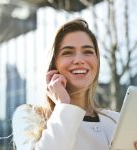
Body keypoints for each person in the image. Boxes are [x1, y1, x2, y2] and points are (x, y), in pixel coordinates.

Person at [12, 18, 137, 150]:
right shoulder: (30, 117)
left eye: (88, 51)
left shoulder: (118, 121)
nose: (79, 60)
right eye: (68, 52)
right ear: (53, 64)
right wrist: (64, 105)